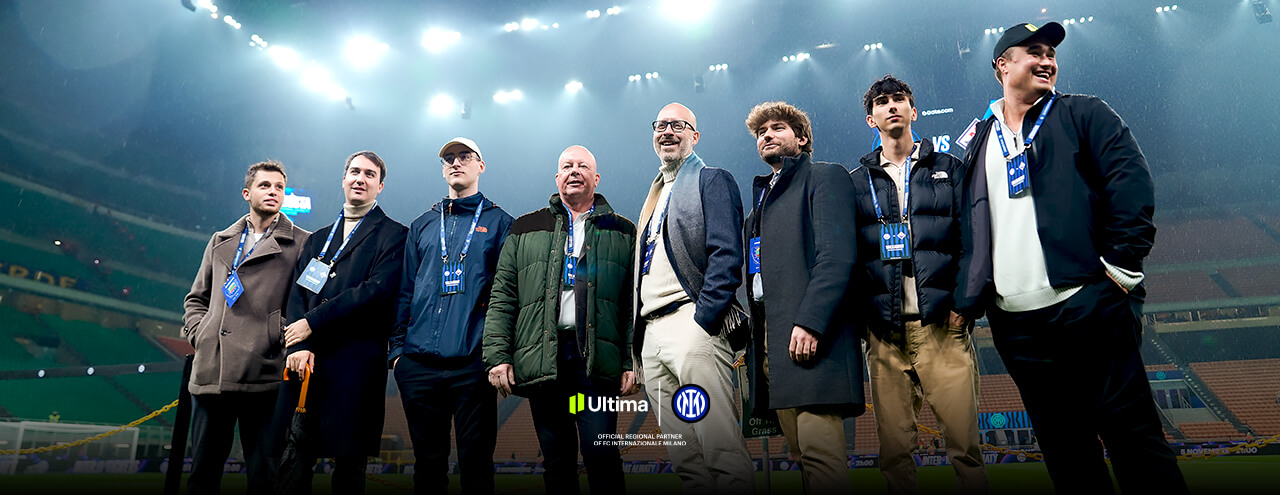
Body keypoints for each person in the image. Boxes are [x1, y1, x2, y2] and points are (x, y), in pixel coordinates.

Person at [954, 22, 1188, 494]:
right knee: (1067, 455)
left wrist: (1121, 270)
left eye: (1051, 54)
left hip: (1087, 302)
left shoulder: (1084, 112)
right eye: (1034, 52)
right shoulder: (976, 140)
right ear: (1002, 66)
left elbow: (1131, 184)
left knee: (1134, 441)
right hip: (1016, 324)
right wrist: (970, 298)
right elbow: (968, 227)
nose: (1047, 61)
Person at [851, 75, 987, 495]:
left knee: (965, 449)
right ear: (871, 118)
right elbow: (849, 259)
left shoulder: (949, 168)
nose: (891, 106)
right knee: (894, 456)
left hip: (942, 327)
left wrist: (965, 305)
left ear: (913, 111)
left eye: (899, 99)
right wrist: (865, 320)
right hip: (885, 335)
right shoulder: (856, 182)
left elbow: (973, 240)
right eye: (882, 102)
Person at [484, 145, 637, 495]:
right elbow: (503, 296)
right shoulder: (525, 227)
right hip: (546, 359)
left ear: (596, 178)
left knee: (601, 453)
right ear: (557, 178)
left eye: (583, 166)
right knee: (557, 460)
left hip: (595, 362)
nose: (574, 171)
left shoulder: (623, 230)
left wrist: (631, 360)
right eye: (567, 166)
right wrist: (497, 356)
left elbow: (631, 303)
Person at [743, 101, 863, 494]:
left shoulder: (825, 177)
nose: (767, 135)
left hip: (813, 338)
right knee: (802, 459)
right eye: (761, 132)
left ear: (802, 138)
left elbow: (836, 256)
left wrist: (811, 321)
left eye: (777, 128)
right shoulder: (761, 203)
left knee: (822, 460)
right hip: (773, 342)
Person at [635, 102, 755, 494]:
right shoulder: (654, 194)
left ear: (695, 136)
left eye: (678, 125)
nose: (667, 132)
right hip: (651, 334)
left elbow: (726, 254)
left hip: (691, 323)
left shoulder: (711, 179)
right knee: (686, 461)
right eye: (660, 125)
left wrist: (704, 319)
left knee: (721, 451)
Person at [278, 150, 407, 494]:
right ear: (344, 179)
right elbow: (297, 294)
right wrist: (301, 345)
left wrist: (312, 322)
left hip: (357, 363)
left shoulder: (394, 235)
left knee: (350, 463)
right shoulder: (318, 239)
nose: (360, 179)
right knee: (295, 455)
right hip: (309, 361)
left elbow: (375, 291)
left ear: (380, 186)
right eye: (355, 172)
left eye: (369, 174)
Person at [390, 137, 513, 495]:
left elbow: (506, 295)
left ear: (481, 166)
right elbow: (405, 291)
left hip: (473, 363)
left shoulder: (500, 222)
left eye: (464, 156)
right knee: (427, 468)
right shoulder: (423, 224)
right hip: (419, 364)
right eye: (449, 159)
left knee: (476, 465)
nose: (456, 163)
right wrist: (397, 354)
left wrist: (496, 353)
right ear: (443, 169)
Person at [182, 160, 310, 495]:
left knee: (265, 478)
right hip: (213, 371)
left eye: (279, 187)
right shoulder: (220, 240)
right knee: (202, 476)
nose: (273, 192)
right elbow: (196, 300)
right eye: (265, 185)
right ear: (246, 193)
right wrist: (203, 335)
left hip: (265, 373)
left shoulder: (302, 243)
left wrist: (277, 336)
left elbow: (307, 304)